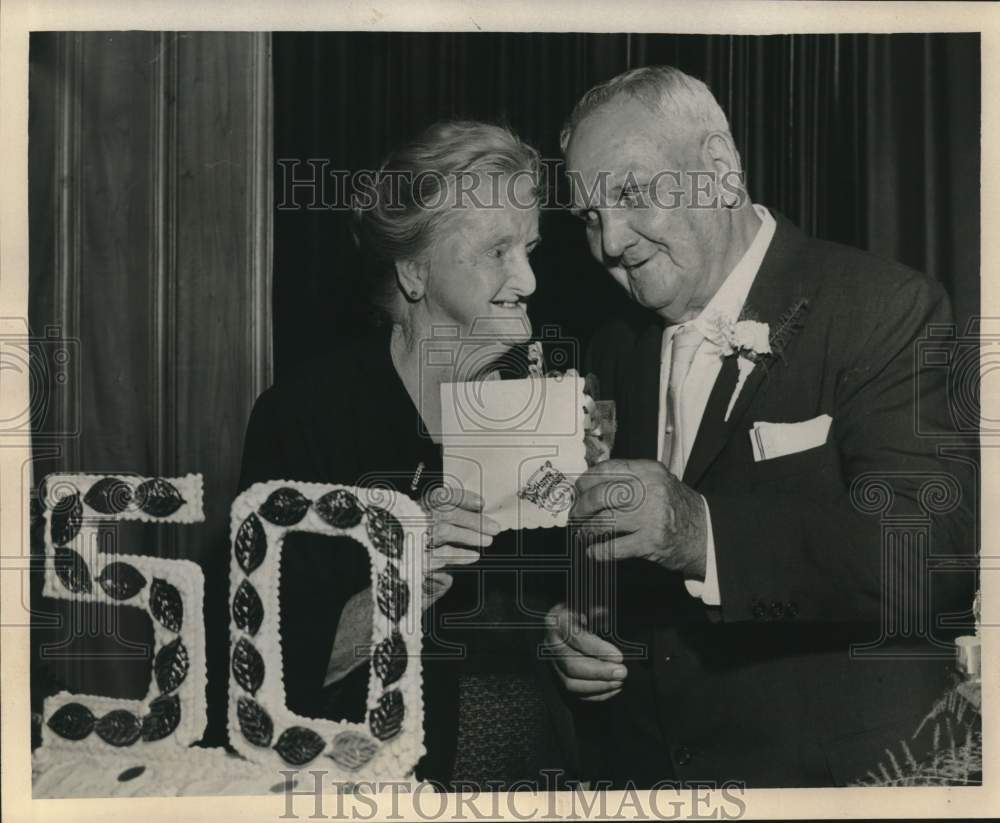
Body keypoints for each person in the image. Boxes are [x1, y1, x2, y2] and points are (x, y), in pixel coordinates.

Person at [545, 66, 976, 787]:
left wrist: (701, 533)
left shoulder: (884, 308)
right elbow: (615, 560)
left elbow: (928, 556)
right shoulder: (615, 347)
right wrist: (578, 622)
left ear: (719, 168)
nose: (610, 241)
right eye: (589, 215)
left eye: (631, 193)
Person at [238, 120, 562, 786]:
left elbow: (570, 619)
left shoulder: (550, 403)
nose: (528, 279)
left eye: (529, 248)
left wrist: (581, 629)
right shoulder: (305, 419)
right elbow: (269, 672)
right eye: (497, 250)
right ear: (413, 271)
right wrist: (403, 567)